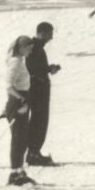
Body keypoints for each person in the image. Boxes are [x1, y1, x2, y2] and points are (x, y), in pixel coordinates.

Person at [24, 22, 61, 167]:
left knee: (39, 121)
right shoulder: (34, 48)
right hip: (37, 90)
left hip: (39, 90)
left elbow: (37, 68)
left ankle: (34, 152)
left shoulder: (37, 48)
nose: (51, 37)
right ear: (42, 33)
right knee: (39, 121)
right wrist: (48, 70)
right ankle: (33, 154)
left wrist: (48, 68)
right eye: (50, 33)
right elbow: (32, 70)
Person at [1, 36, 37, 185]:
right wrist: (19, 100)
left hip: (20, 101)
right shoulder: (15, 62)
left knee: (22, 138)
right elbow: (9, 85)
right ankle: (14, 174)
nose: (30, 50)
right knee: (18, 139)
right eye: (29, 48)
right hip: (18, 102)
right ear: (21, 48)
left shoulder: (19, 60)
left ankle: (19, 171)